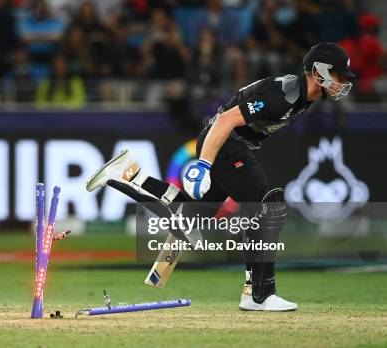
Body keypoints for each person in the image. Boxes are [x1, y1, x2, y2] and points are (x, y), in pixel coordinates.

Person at [85, 42, 355, 311]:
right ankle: (259, 295)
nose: (343, 83)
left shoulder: (304, 98)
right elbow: (225, 120)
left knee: (191, 216)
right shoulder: (282, 95)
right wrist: (204, 164)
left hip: (231, 143)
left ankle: (127, 174)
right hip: (225, 142)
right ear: (320, 72)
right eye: (340, 76)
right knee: (267, 207)